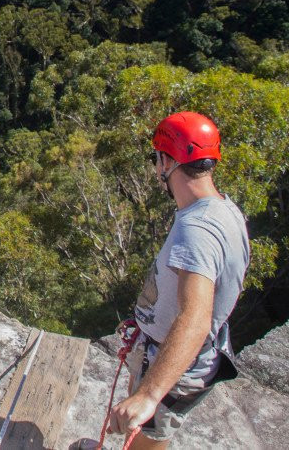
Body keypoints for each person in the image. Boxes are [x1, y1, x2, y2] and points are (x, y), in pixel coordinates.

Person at [108, 111, 249, 448]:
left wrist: (149, 394)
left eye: (156, 159)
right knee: (143, 431)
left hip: (175, 362)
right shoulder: (223, 210)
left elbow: (195, 319)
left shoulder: (195, 230)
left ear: (165, 161)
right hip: (175, 354)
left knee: (145, 438)